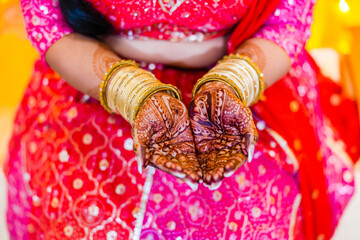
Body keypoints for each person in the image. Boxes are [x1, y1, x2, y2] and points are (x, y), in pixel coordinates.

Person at [4, 0, 359, 239]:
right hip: (93, 78)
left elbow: (285, 21)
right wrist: (134, 91)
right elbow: (48, 20)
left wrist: (231, 85)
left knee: (251, 219)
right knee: (84, 222)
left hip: (250, 73)